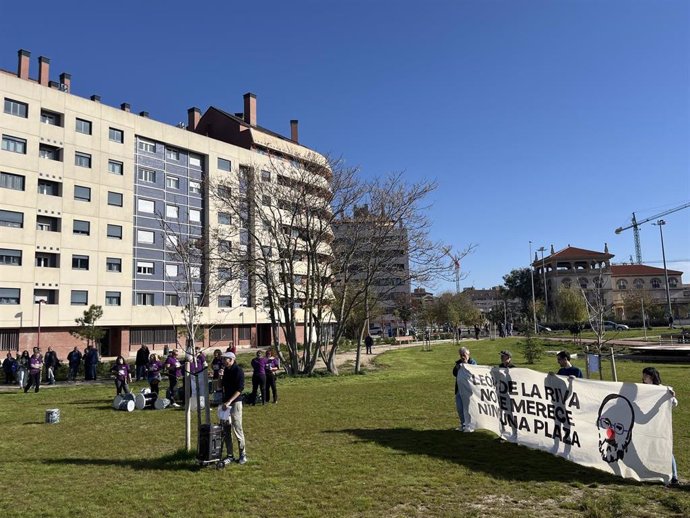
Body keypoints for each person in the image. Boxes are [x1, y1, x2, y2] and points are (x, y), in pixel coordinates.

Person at [642, 367, 678, 486]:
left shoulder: (664, 389)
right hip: (647, 425)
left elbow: (674, 404)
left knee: (667, 450)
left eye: (645, 376)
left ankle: (674, 476)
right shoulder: (643, 389)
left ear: (652, 377)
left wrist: (672, 396)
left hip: (660, 426)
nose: (643, 378)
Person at [220, 351, 247, 465]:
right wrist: (220, 377)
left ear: (231, 359)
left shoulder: (238, 371)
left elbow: (240, 389)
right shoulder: (225, 370)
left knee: (237, 428)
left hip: (235, 403)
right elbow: (219, 386)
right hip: (225, 403)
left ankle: (242, 454)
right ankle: (230, 455)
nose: (223, 361)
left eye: (225, 359)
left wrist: (230, 401)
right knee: (226, 429)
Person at [453, 347, 477, 431]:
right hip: (459, 389)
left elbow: (474, 373)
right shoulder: (458, 363)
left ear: (468, 354)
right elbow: (454, 373)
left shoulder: (472, 362)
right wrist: (457, 368)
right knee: (460, 408)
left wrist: (466, 364)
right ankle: (463, 424)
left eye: (464, 355)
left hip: (468, 390)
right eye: (461, 355)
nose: (462, 356)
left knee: (468, 408)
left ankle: (470, 426)